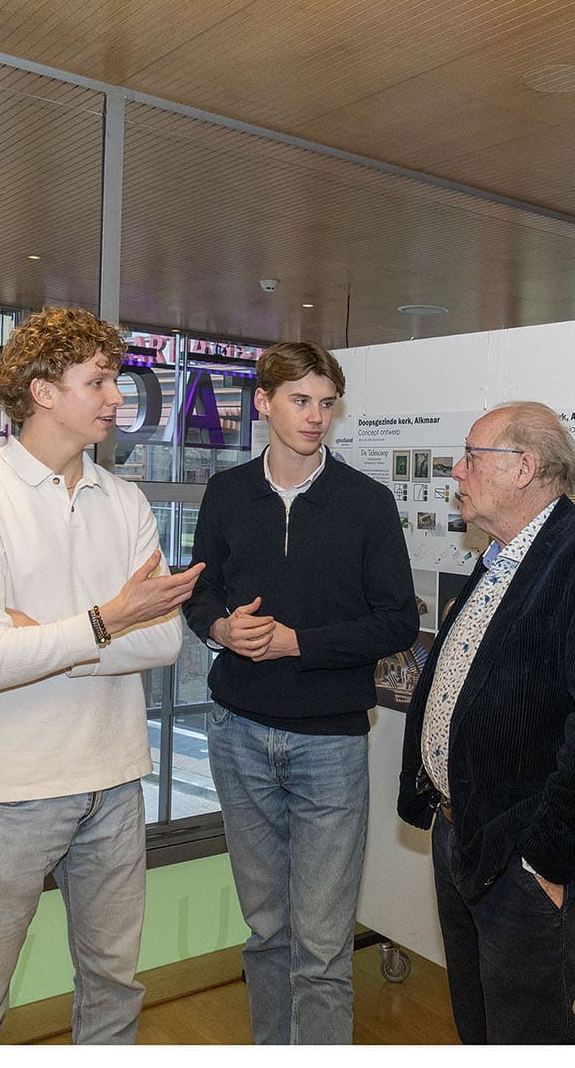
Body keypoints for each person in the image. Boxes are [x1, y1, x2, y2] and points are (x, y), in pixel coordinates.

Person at [0, 307, 205, 1044]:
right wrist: (108, 619)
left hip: (115, 778)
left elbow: (166, 641)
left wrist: (51, 634)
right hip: (9, 790)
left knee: (114, 988)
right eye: (99, 380)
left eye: (113, 377)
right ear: (42, 391)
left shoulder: (128, 501)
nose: (118, 396)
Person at [397, 401, 575, 1044]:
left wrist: (547, 857)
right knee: (478, 1025)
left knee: (527, 1031)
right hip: (461, 834)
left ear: (523, 467)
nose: (454, 471)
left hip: (522, 850)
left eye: (470, 457)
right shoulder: (498, 557)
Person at [182, 341, 417, 1044]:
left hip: (330, 743)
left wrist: (298, 642)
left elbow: (399, 620)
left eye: (325, 403)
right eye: (300, 400)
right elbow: (201, 591)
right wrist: (222, 626)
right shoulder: (227, 492)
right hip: (238, 734)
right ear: (263, 402)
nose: (315, 416)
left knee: (320, 948)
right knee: (266, 932)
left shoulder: (367, 502)